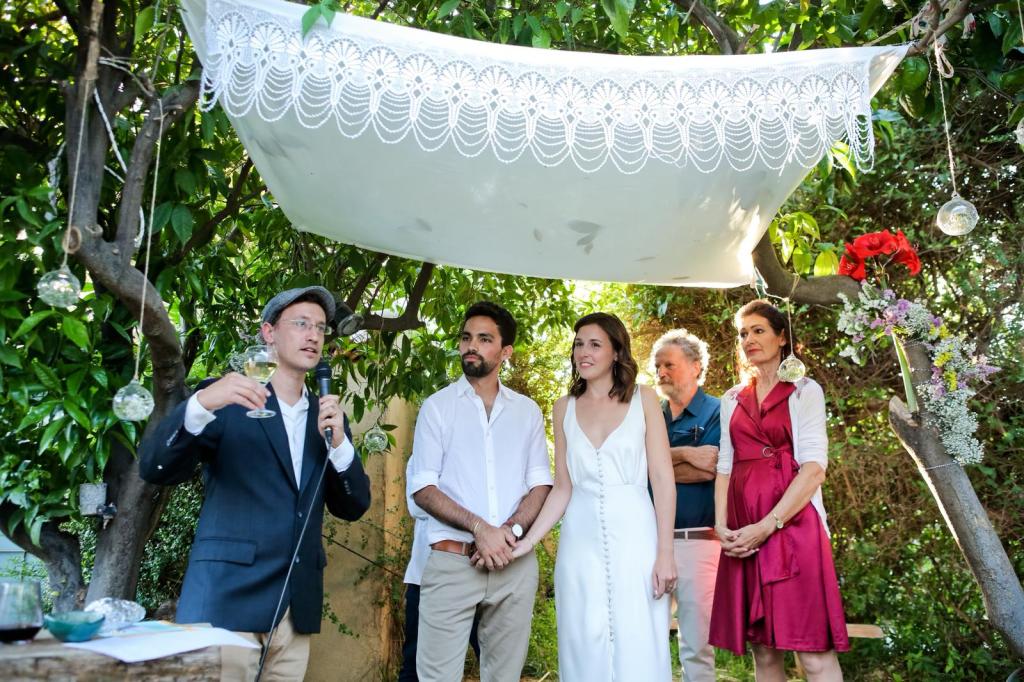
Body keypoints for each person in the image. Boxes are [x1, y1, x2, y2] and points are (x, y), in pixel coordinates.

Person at [139, 286, 371, 681]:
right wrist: (199, 405)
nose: (313, 335)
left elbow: (353, 506)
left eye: (320, 328)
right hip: (225, 603)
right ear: (269, 332)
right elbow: (155, 467)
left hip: (294, 613)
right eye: (301, 324)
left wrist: (340, 446)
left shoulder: (328, 417)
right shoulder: (225, 399)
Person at [512, 312, 676, 681]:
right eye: (578, 344)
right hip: (580, 542)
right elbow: (563, 487)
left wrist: (665, 552)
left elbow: (663, 478)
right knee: (583, 637)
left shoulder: (645, 399)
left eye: (594, 344)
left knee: (640, 637)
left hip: (637, 537)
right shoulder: (563, 407)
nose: (583, 352)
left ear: (616, 352)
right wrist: (528, 541)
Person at [407, 301, 553, 682]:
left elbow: (541, 484)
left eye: (485, 339)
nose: (471, 346)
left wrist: (509, 532)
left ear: (506, 352)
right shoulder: (437, 408)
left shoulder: (527, 412)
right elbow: (423, 488)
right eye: (467, 337)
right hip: (452, 563)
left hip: (514, 565)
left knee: (504, 677)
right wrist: (479, 528)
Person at [708, 299, 848, 681]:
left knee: (813, 652)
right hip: (744, 533)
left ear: (782, 337)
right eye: (742, 334)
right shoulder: (731, 398)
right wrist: (722, 528)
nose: (748, 340)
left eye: (758, 331)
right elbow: (725, 467)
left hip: (795, 529)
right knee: (765, 652)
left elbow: (814, 470)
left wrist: (768, 525)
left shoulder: (805, 391)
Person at [650, 329, 721, 681]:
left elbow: (711, 469)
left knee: (697, 646)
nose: (661, 372)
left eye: (669, 365)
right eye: (657, 366)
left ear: (695, 367)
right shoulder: (650, 415)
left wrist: (658, 464)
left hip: (699, 543)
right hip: (649, 544)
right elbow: (637, 472)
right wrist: (685, 455)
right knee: (646, 638)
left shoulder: (718, 411)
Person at [398, 462, 479, 682]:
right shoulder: (422, 456)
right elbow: (418, 506)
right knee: (414, 662)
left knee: (492, 658)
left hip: (483, 573)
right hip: (425, 578)